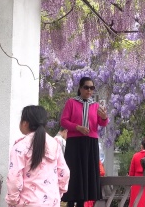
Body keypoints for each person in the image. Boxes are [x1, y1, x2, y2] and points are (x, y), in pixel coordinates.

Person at [6, 105, 70, 206]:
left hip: (28, 203)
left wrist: (13, 200)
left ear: (25, 123)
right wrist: (59, 192)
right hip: (51, 202)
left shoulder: (20, 147)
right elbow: (64, 172)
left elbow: (14, 177)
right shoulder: (55, 144)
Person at [61, 77, 109, 206]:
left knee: (87, 173)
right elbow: (64, 121)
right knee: (74, 172)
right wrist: (77, 127)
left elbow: (102, 123)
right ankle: (70, 202)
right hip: (75, 142)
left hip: (90, 143)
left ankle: (83, 203)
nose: (89, 90)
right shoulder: (71, 102)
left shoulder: (96, 105)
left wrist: (104, 117)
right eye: (86, 87)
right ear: (80, 88)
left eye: (92, 88)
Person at [129, 138, 145, 207]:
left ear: (142, 146)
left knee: (136, 203)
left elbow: (131, 172)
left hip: (136, 183)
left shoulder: (135, 156)